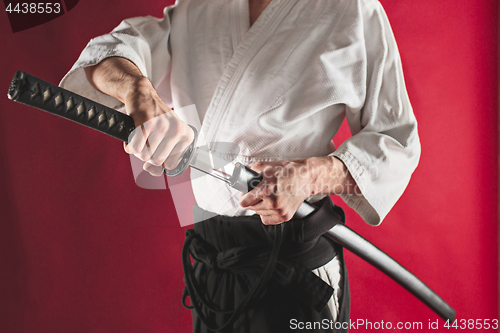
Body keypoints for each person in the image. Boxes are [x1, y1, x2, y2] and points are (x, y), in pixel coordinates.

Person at [60, 0, 420, 331]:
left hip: (293, 264)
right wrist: (137, 90)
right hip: (213, 258)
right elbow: (112, 52)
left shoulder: (351, 9)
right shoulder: (198, 6)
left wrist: (309, 176)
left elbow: (395, 140)